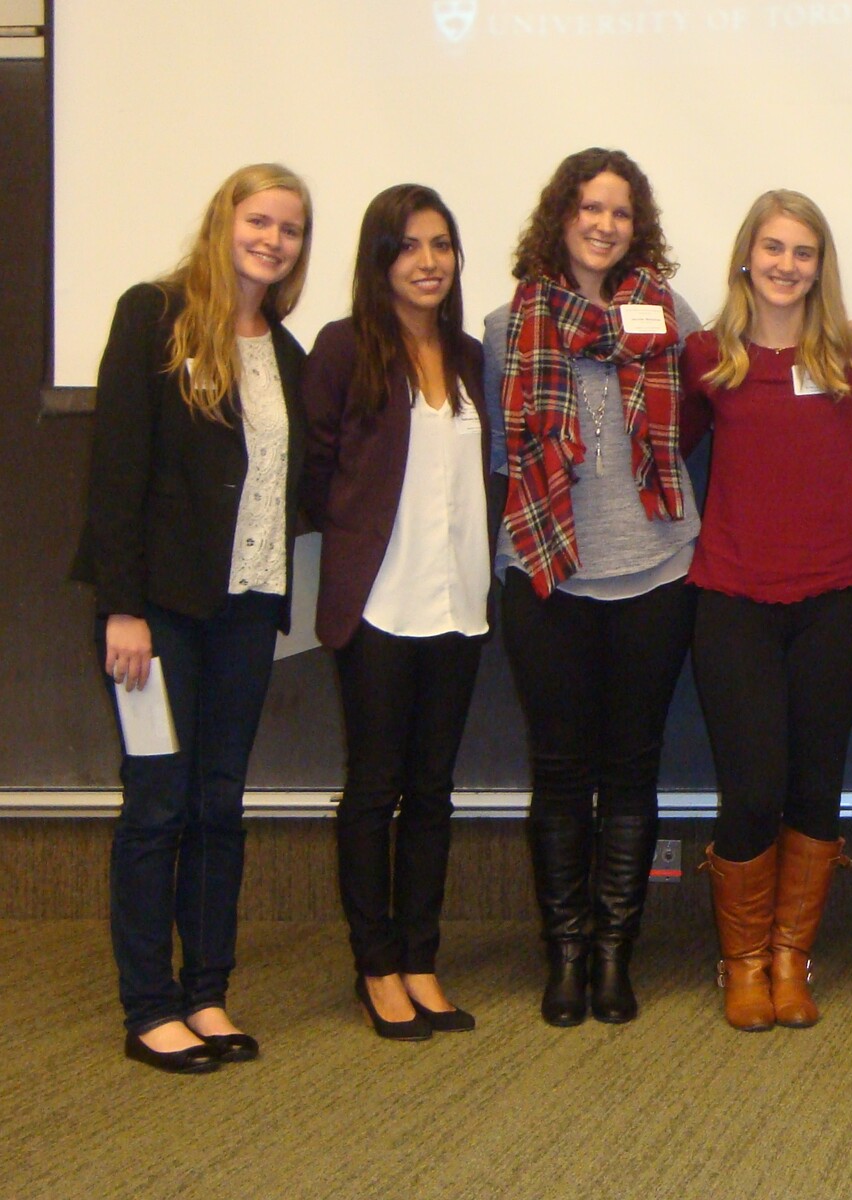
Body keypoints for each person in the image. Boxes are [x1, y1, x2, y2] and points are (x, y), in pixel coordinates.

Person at [72, 163, 313, 1073]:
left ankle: (207, 991)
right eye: (260, 220)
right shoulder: (155, 315)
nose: (274, 240)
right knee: (159, 805)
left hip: (248, 610)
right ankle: (150, 1007)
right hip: (159, 615)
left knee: (220, 804)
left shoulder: (284, 351)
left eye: (290, 229)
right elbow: (116, 472)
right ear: (225, 221)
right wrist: (121, 608)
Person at [485, 148, 702, 1027]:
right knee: (560, 771)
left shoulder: (670, 314)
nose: (604, 224)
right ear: (560, 217)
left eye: (620, 211)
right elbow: (501, 458)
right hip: (548, 572)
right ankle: (565, 952)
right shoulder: (510, 322)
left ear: (636, 223)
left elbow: (697, 431)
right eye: (589, 208)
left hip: (656, 568)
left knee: (634, 767)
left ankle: (616, 952)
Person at [680, 190, 852, 1032]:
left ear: (819, 267)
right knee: (751, 787)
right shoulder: (705, 357)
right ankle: (743, 962)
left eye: (804, 252)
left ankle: (793, 961)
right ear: (745, 258)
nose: (788, 265)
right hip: (731, 598)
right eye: (774, 248)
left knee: (816, 786)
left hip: (834, 598)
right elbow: (661, 456)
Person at [301, 184, 493, 1040]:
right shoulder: (344, 348)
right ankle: (375, 966)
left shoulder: (468, 357)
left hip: (458, 601)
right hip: (380, 604)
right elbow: (316, 474)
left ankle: (421, 958)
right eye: (410, 246)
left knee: (434, 792)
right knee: (374, 790)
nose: (429, 261)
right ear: (381, 260)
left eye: (442, 244)